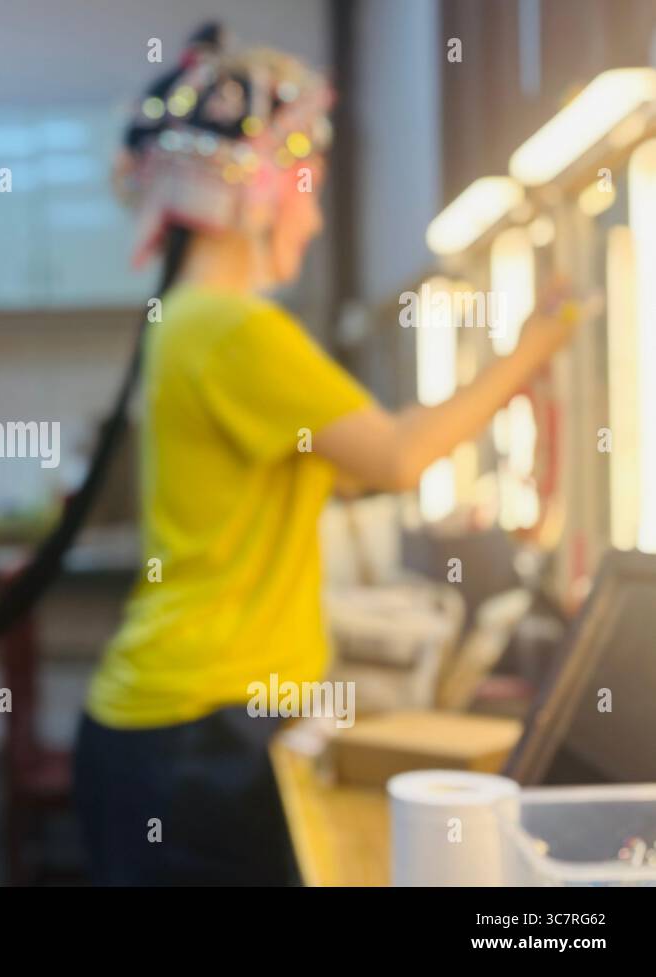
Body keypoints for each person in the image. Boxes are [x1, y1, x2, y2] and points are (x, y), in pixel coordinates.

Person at [73, 24, 583, 885]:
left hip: (177, 727)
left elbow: (340, 467)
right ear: (256, 194)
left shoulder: (190, 321)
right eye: (306, 188)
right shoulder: (236, 328)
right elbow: (396, 457)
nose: (312, 216)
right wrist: (536, 349)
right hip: (200, 729)